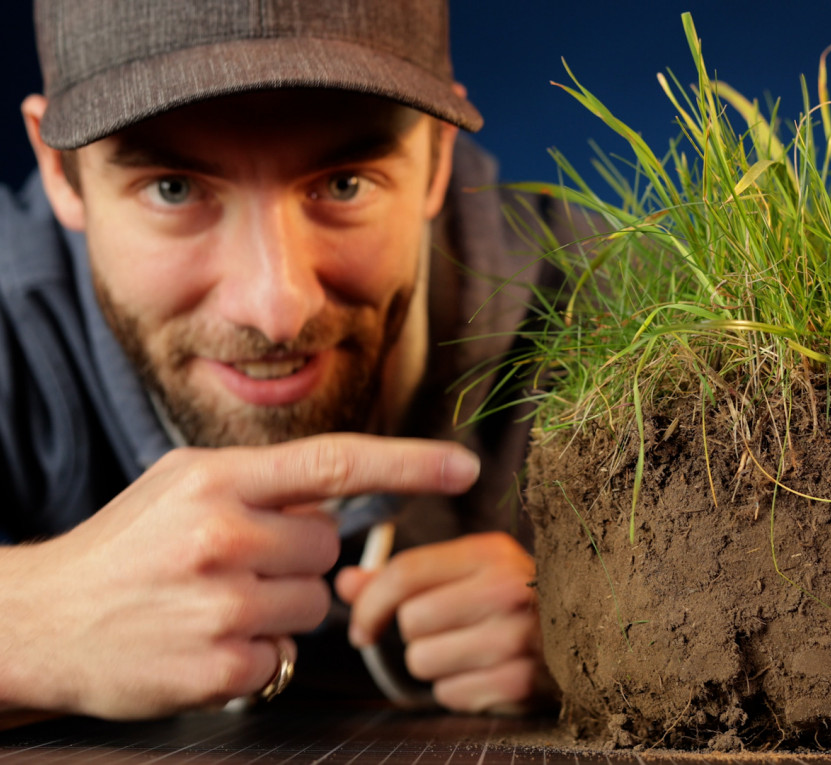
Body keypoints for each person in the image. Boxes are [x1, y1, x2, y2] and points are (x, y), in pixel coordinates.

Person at [0, 0, 578, 720]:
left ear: (436, 156)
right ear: (60, 171)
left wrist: (593, 634)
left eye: (344, 184)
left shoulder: (616, 311)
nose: (277, 309)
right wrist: (29, 619)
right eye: (174, 189)